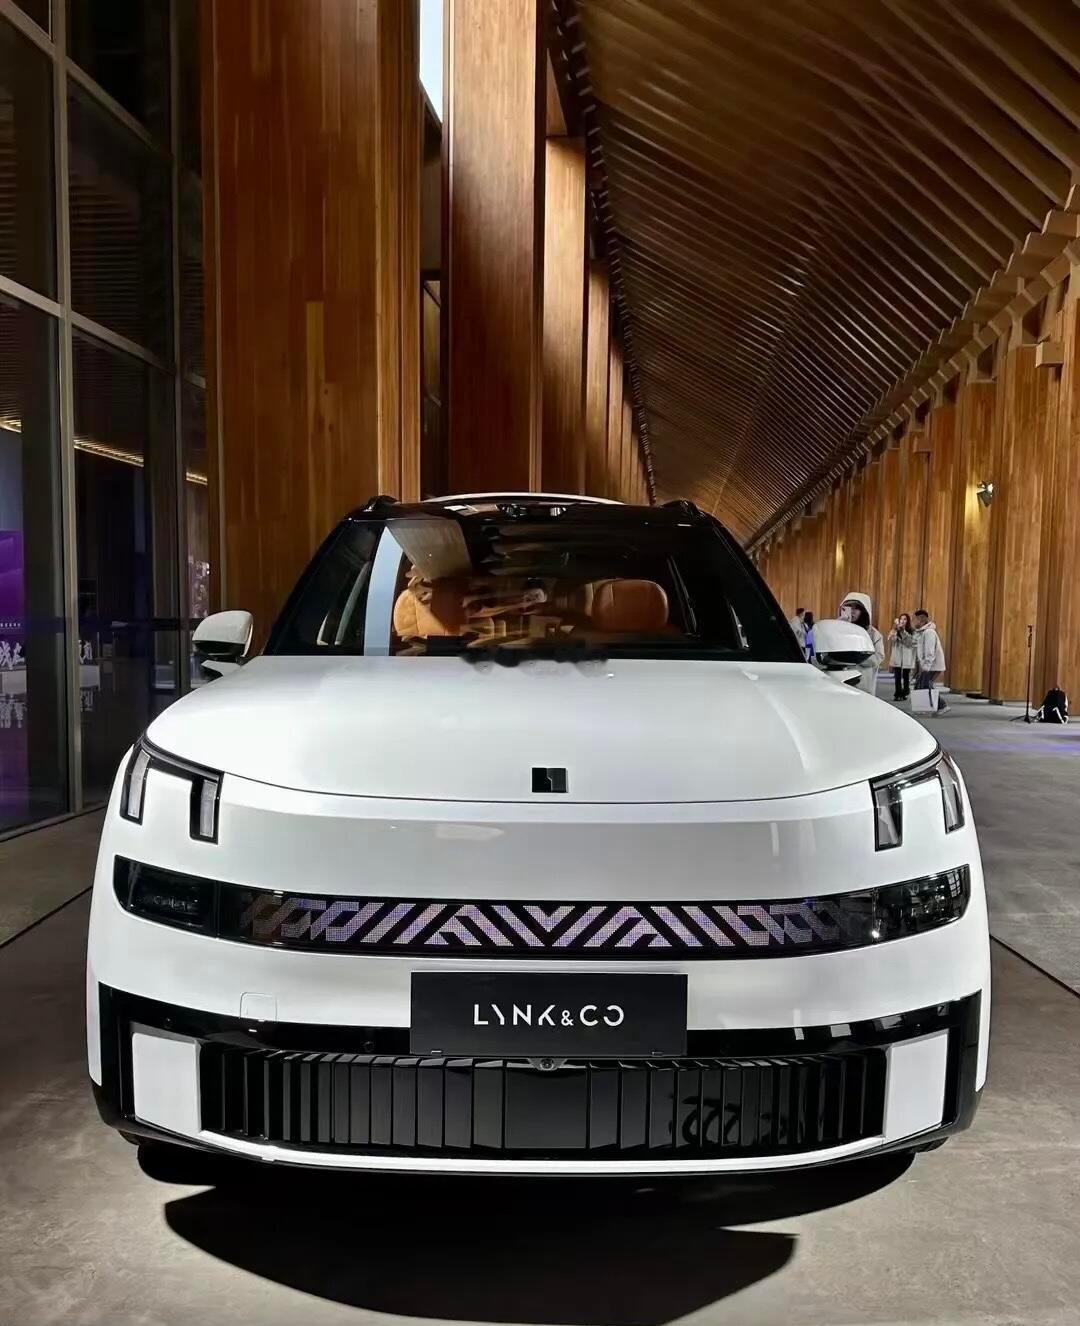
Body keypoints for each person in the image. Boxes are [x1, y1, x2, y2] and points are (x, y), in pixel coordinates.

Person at [839, 592, 885, 694]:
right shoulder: (836, 630)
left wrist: (856, 657)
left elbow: (878, 658)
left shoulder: (874, 634)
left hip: (863, 684)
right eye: (849, 607)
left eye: (856, 608)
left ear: (864, 611)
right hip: (841, 682)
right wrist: (839, 627)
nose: (852, 611)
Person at [913, 609, 948, 713]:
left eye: (915, 619)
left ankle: (942, 705)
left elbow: (930, 650)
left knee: (925, 685)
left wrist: (926, 666)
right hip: (928, 665)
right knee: (921, 685)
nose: (913, 622)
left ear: (921, 619)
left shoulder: (929, 632)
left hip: (932, 665)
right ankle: (923, 707)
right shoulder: (922, 632)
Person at [888, 612, 916, 701]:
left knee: (906, 676)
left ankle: (906, 691)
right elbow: (891, 639)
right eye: (901, 619)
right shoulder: (895, 630)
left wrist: (902, 631)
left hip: (907, 657)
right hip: (897, 656)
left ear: (908, 621)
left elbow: (910, 643)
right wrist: (895, 630)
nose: (902, 621)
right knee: (897, 676)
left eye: (905, 619)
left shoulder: (911, 631)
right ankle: (897, 693)